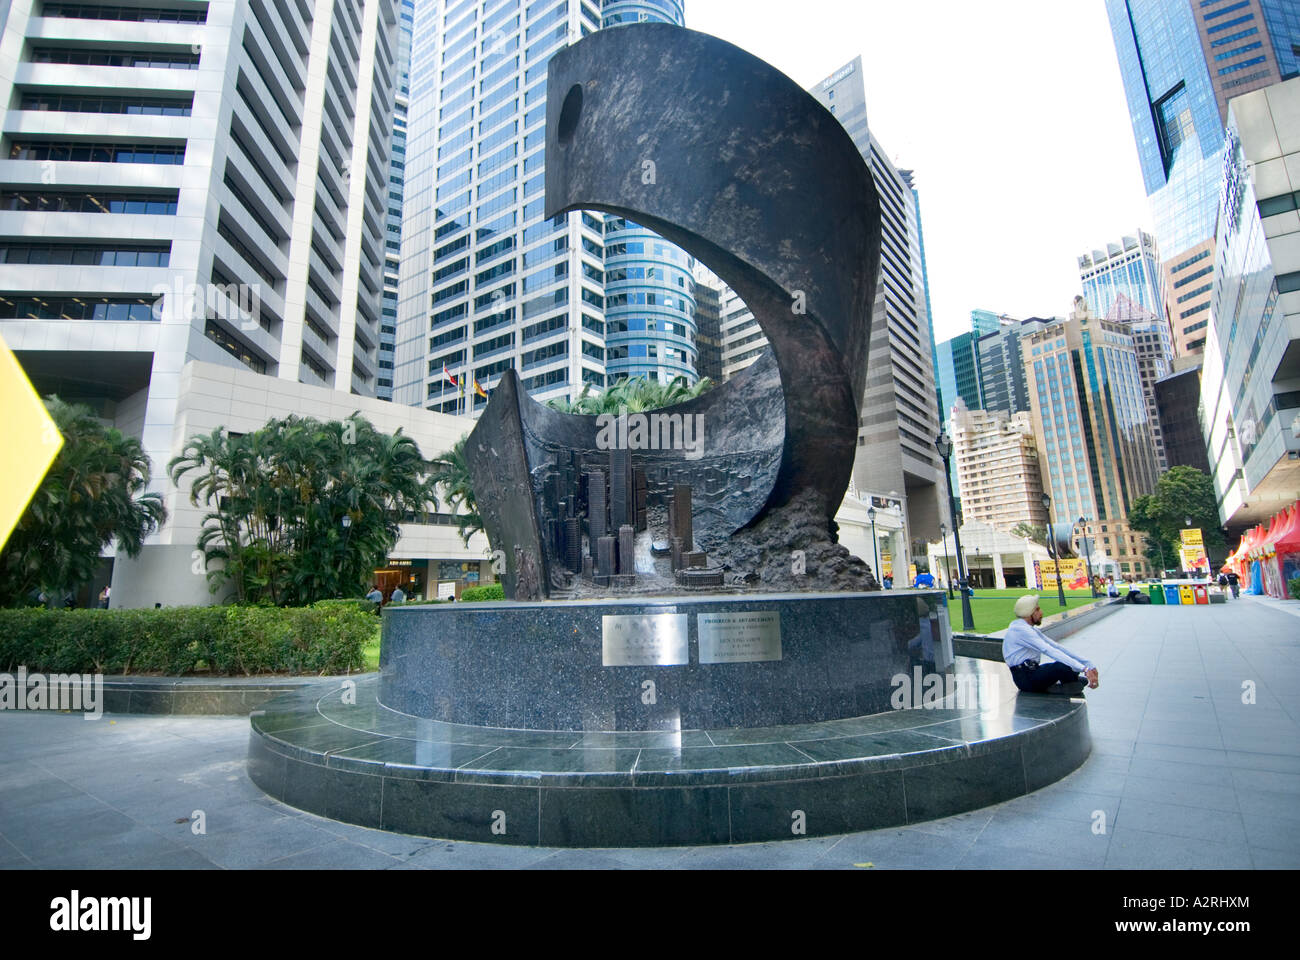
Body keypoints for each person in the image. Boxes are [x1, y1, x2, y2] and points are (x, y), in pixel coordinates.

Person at [1002, 595, 1099, 695]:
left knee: (1068, 666)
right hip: (1026, 679)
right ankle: (1064, 684)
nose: (1041, 613)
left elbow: (1056, 646)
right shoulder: (1021, 630)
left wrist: (1087, 664)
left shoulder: (1028, 628)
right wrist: (1085, 669)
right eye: (1037, 610)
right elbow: (1048, 650)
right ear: (1028, 613)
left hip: (1032, 671)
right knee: (1061, 667)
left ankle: (1065, 682)